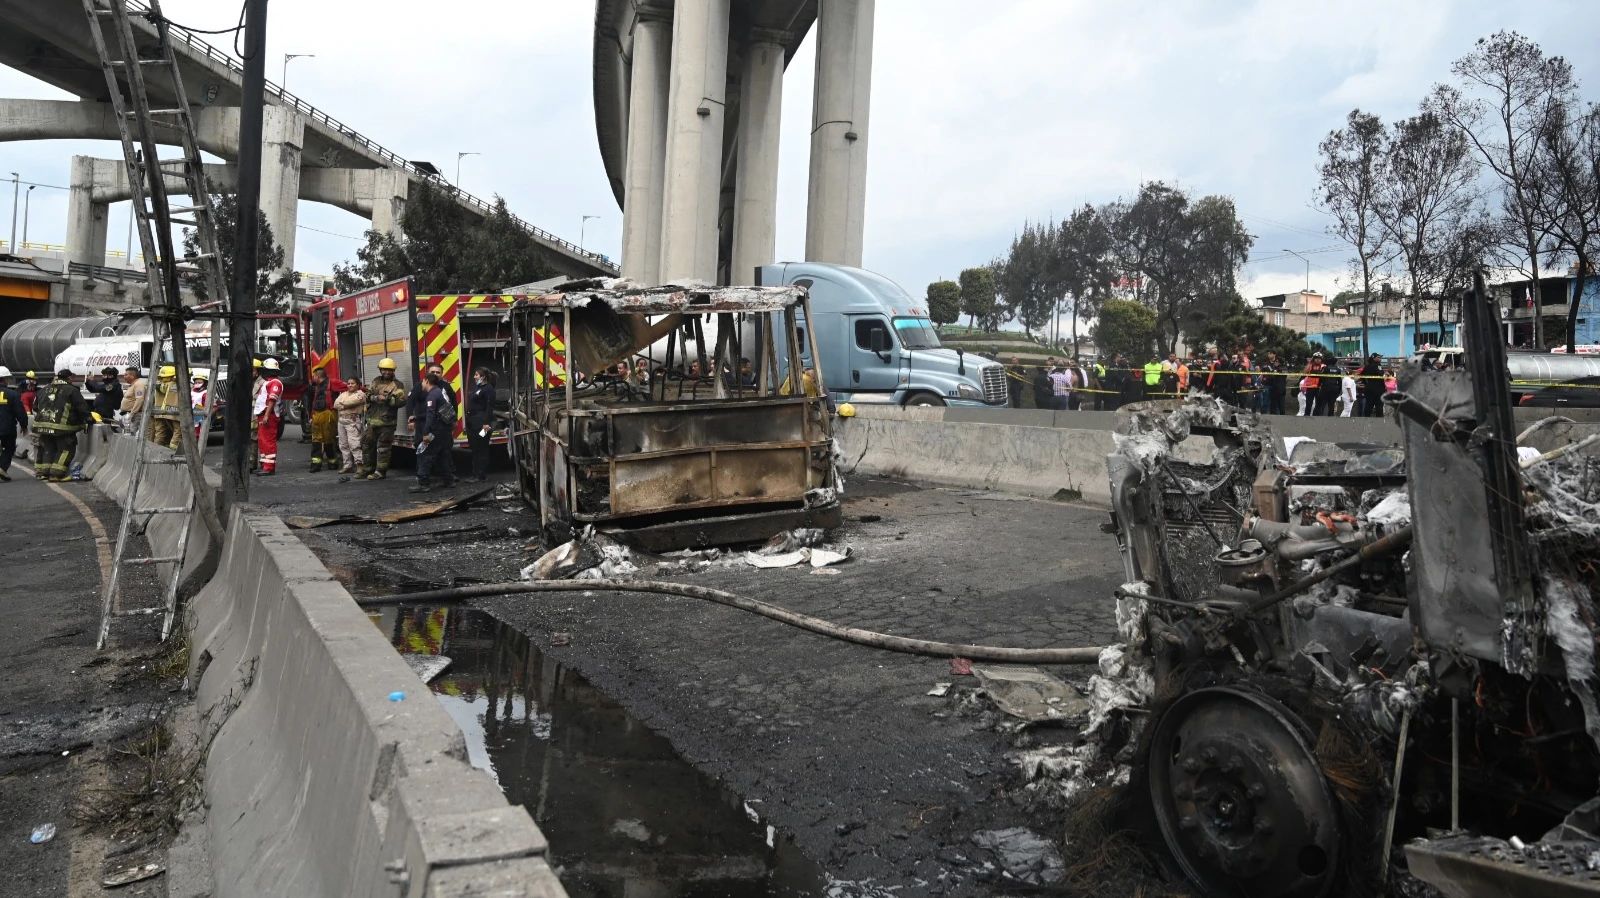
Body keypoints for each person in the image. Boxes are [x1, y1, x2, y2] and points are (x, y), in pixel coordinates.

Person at [30, 370, 88, 481]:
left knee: (47, 447)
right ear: (69, 378)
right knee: (65, 449)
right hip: (63, 428)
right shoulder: (72, 390)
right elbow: (82, 408)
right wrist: (88, 419)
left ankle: (42, 472)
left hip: (42, 426)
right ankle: (56, 474)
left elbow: (35, 407)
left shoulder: (43, 389)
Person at [411, 371, 458, 493]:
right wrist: (417, 417)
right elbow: (438, 412)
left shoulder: (431, 395)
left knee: (424, 454)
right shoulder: (439, 392)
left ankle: (423, 483)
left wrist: (425, 433)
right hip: (444, 431)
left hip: (435, 431)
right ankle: (449, 481)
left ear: (426, 381)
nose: (422, 384)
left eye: (422, 382)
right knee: (443, 455)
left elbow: (431, 415)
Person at [361, 358, 408, 480]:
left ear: (393, 371)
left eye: (389, 370)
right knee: (366, 445)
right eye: (384, 369)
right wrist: (376, 398)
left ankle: (380, 472)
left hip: (387, 423)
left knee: (383, 448)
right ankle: (367, 469)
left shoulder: (397, 385)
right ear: (380, 370)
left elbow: (401, 402)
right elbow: (367, 395)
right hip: (372, 421)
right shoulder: (376, 381)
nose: (386, 372)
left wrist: (388, 399)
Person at [303, 364, 343, 472]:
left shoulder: (332, 383)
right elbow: (315, 402)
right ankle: (316, 464)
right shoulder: (317, 387)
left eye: (314, 376)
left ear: (317, 376)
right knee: (316, 439)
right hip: (317, 415)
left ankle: (332, 463)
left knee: (328, 439)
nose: (313, 378)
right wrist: (312, 416)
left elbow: (349, 387)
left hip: (328, 414)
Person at [254, 357, 284, 475]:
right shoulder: (268, 382)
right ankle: (264, 464)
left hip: (269, 416)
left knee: (268, 441)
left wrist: (266, 415)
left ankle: (269, 467)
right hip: (263, 415)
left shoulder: (275, 383)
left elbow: (272, 399)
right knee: (262, 441)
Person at [465, 367, 495, 482]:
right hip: (474, 423)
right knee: (475, 448)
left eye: (476, 375)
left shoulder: (489, 389)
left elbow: (489, 407)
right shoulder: (478, 388)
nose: (474, 377)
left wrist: (486, 423)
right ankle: (475, 474)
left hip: (483, 425)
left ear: (482, 377)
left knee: (481, 447)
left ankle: (480, 475)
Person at [333, 376, 368, 475]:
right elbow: (335, 404)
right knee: (343, 445)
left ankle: (360, 466)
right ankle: (347, 465)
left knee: (354, 444)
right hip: (341, 421)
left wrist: (343, 404)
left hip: (352, 421)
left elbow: (353, 401)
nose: (350, 385)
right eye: (348, 383)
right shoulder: (343, 394)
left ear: (358, 385)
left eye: (352, 383)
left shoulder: (361, 394)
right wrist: (345, 404)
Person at [148, 365, 184, 449]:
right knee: (174, 432)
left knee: (160, 432)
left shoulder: (156, 383)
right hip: (169, 413)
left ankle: (155, 449)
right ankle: (169, 450)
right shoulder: (170, 384)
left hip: (158, 412)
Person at [0, 366, 25, 482]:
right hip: (7, 427)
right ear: (4, 379)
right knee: (9, 448)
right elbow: (20, 411)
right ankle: (2, 468)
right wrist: (24, 425)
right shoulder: (12, 394)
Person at [247, 359, 264, 472]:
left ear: (257, 371)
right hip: (247, 413)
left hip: (256, 413)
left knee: (255, 438)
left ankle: (253, 463)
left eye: (252, 370)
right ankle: (249, 462)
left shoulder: (262, 383)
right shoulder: (247, 382)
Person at [189, 370, 210, 438]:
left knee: (198, 434)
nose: (197, 383)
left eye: (200, 382)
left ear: (204, 383)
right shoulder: (190, 392)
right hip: (190, 415)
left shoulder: (206, 393)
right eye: (196, 382)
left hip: (200, 417)